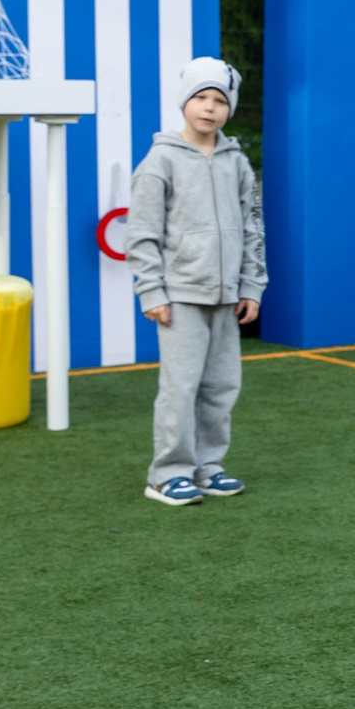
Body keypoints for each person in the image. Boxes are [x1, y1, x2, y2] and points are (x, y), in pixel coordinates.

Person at [127, 57, 266, 505]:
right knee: (180, 387)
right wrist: (152, 290)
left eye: (219, 101)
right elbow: (142, 233)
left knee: (221, 386)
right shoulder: (160, 160)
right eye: (201, 98)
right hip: (181, 296)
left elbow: (252, 227)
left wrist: (251, 286)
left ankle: (208, 467)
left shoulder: (236, 163)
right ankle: (167, 474)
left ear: (230, 109)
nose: (209, 108)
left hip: (227, 297)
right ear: (185, 103)